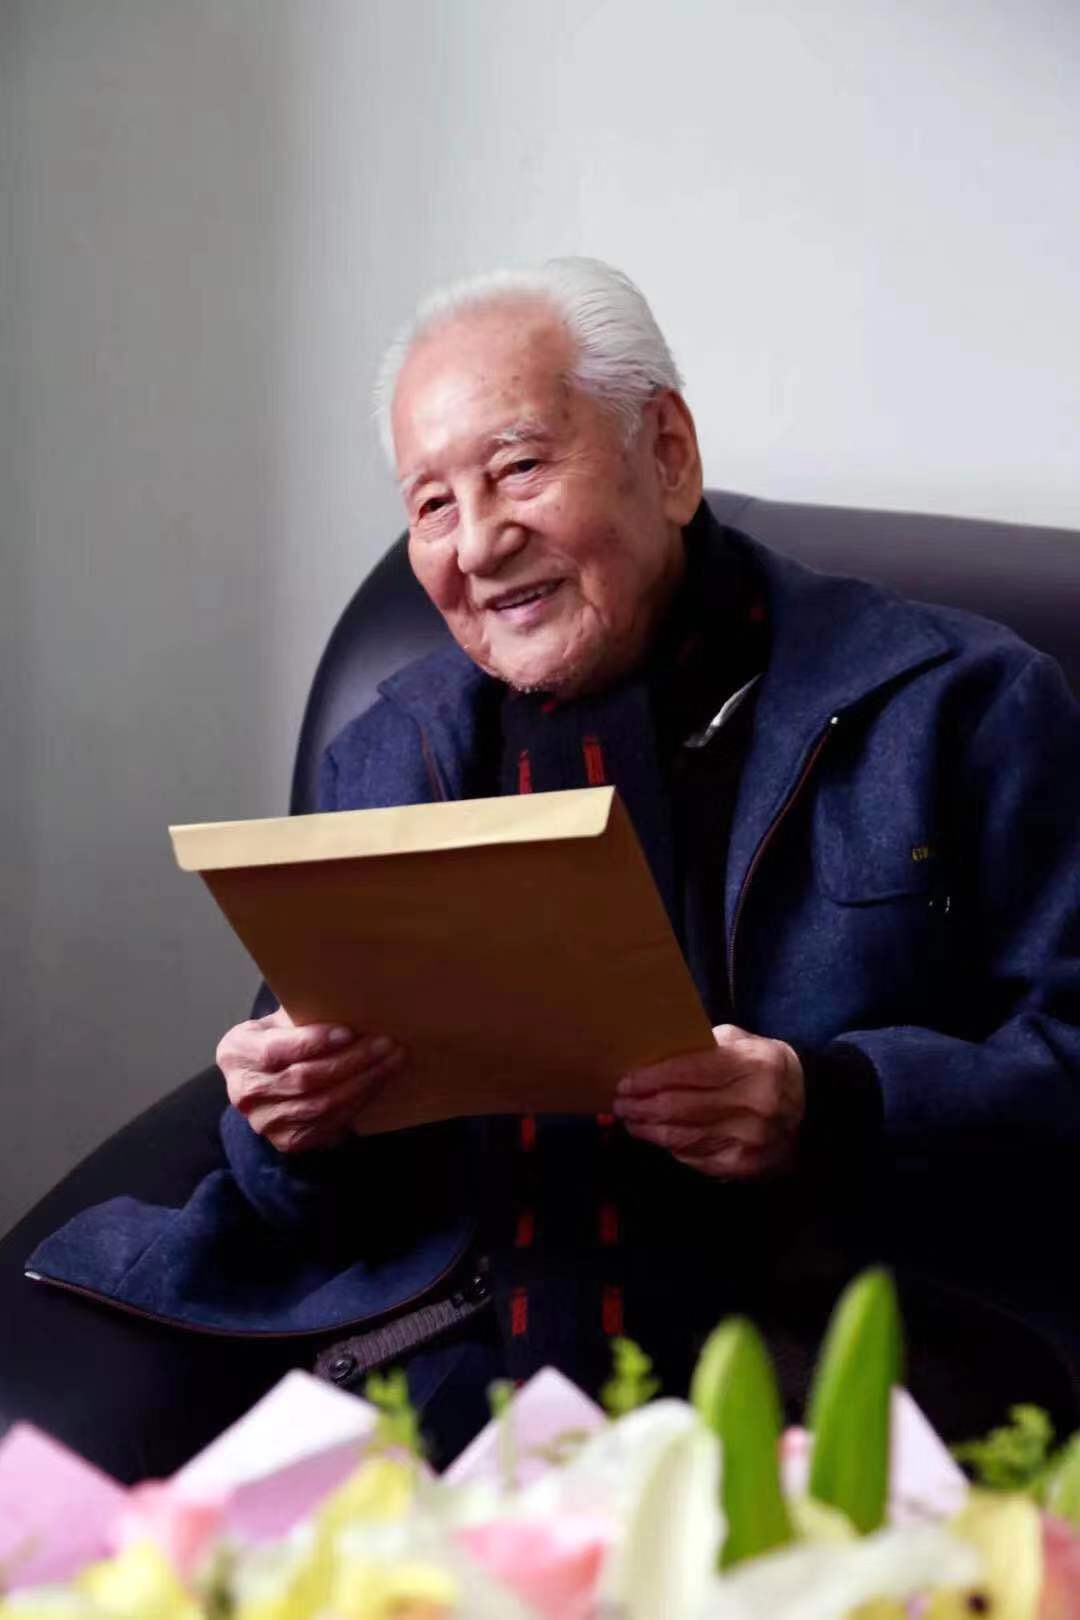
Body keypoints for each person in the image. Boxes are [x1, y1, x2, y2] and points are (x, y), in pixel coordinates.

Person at [18, 259, 1080, 1476]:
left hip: (840, 1354)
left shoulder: (961, 704)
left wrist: (828, 1106)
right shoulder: (391, 753)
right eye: (431, 504)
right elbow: (306, 1205)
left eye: (519, 467)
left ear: (668, 454)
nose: (478, 542)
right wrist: (291, 1128)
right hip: (471, 1348)